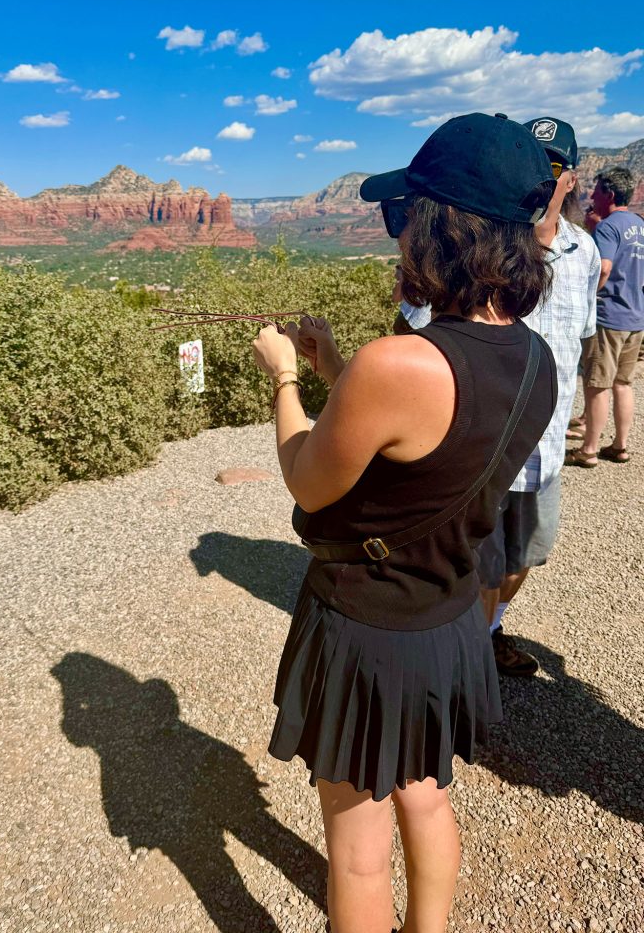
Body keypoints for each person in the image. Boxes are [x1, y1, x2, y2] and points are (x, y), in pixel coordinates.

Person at [251, 112, 557, 933]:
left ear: (440, 228)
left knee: (356, 848)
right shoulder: (534, 358)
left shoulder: (401, 363)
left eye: (403, 216)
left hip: (369, 631)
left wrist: (286, 381)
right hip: (450, 618)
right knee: (426, 795)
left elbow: (310, 483)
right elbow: (431, 442)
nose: (396, 235)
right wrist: (337, 370)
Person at [477, 118, 600, 676]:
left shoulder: (586, 252)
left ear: (570, 179)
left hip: (546, 448)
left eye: (552, 168)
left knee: (530, 553)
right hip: (480, 447)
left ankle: (489, 630)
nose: (542, 181)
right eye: (531, 166)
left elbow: (579, 344)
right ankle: (467, 662)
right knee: (476, 561)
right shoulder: (484, 247)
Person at [566, 166, 644, 466]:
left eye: (596, 190)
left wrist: (588, 298)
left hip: (609, 316)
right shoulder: (638, 224)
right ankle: (620, 446)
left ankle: (588, 451)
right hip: (636, 317)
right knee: (623, 384)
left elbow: (606, 267)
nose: (592, 194)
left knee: (597, 384)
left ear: (609, 194)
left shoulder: (609, 227)